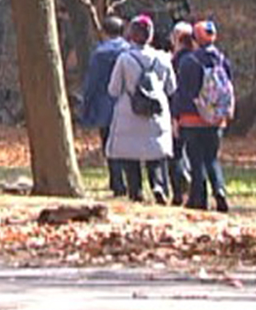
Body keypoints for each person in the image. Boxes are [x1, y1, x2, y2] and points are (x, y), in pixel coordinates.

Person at [107, 15, 175, 202]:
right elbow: (172, 88)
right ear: (151, 36)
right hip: (156, 113)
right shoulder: (162, 59)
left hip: (130, 112)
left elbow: (113, 89)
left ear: (132, 34)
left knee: (131, 155)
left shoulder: (124, 59)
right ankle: (158, 186)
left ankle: (135, 191)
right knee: (155, 154)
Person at [173, 20, 233, 212]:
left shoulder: (189, 62)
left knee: (196, 160)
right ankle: (220, 191)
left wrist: (176, 117)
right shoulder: (222, 60)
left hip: (192, 119)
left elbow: (182, 93)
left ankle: (198, 199)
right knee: (212, 158)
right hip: (216, 119)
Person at [79, 16, 129, 196]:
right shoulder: (129, 51)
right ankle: (132, 181)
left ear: (104, 32)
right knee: (128, 145)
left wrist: (86, 104)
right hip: (128, 105)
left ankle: (117, 183)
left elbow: (92, 82)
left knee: (109, 145)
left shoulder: (100, 54)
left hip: (105, 106)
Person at [167, 21, 196, 202]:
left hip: (176, 113)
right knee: (194, 154)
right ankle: (193, 188)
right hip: (198, 114)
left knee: (175, 153)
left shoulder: (173, 61)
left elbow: (171, 90)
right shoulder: (197, 59)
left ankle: (178, 191)